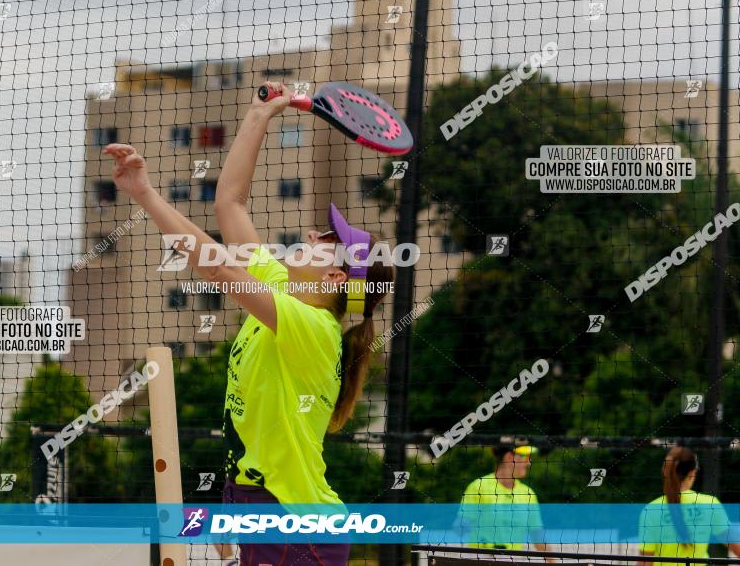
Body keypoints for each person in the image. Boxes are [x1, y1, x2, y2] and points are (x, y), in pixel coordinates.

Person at [102, 80, 395, 566]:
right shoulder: (281, 288)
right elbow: (230, 203)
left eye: (325, 238)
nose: (309, 232)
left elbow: (217, 267)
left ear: (337, 274)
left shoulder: (316, 328)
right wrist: (260, 116)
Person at [638, 446, 740, 566]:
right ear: (692, 473)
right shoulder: (710, 504)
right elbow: (736, 547)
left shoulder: (651, 510)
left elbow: (645, 562)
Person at [458, 445, 553, 560]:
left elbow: (537, 535)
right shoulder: (478, 487)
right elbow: (461, 527)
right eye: (526, 457)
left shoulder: (528, 493)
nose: (529, 462)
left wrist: (553, 561)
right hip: (480, 558)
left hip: (514, 559)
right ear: (509, 457)